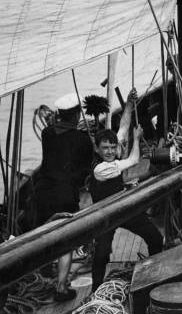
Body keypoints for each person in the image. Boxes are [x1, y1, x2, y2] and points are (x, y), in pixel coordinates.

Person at [90, 92, 163, 290]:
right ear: (96, 149)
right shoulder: (100, 168)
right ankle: (95, 289)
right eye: (105, 148)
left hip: (123, 208)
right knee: (102, 253)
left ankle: (153, 277)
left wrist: (130, 105)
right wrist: (137, 138)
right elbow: (133, 161)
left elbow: (122, 128)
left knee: (155, 238)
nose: (110, 151)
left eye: (112, 147)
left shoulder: (113, 151)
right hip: (106, 214)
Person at [34, 93, 93, 301]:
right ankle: (60, 287)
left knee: (43, 236)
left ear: (59, 114)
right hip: (65, 195)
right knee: (66, 242)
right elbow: (85, 171)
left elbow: (55, 147)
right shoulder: (83, 139)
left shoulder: (48, 133)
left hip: (42, 193)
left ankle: (43, 275)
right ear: (77, 114)